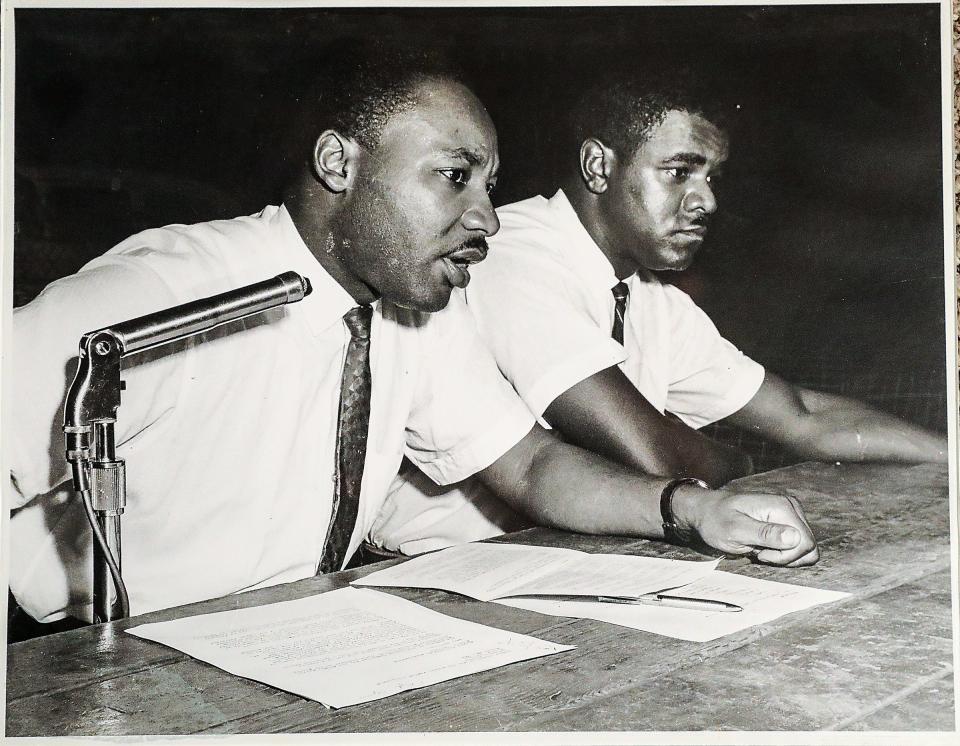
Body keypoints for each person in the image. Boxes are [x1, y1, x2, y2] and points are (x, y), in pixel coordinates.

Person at [7, 52, 818, 626]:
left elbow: (532, 465)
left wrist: (692, 513)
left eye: (491, 186)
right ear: (338, 163)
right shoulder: (164, 291)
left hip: (291, 640)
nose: (487, 219)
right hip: (101, 663)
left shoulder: (409, 313)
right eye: (453, 175)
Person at [369, 71, 947, 556]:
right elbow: (651, 456)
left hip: (571, 559)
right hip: (430, 571)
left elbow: (802, 414)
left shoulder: (646, 294)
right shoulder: (511, 253)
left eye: (711, 177)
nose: (707, 201)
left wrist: (953, 457)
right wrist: (744, 458)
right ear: (598, 166)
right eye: (678, 172)